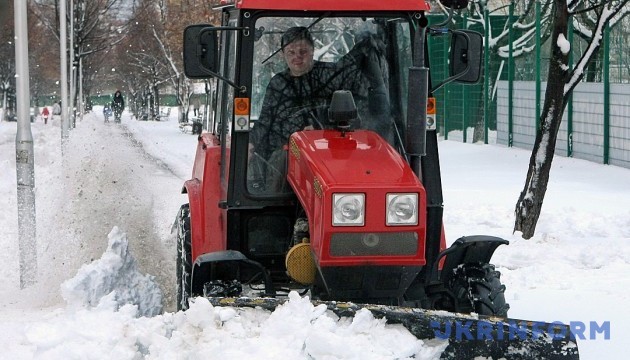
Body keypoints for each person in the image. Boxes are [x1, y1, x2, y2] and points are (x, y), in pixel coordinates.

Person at [248, 26, 390, 192]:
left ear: (312, 50)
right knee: (281, 160)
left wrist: (320, 128)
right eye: (291, 52)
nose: (297, 57)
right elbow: (265, 120)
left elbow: (354, 109)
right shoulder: (278, 84)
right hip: (286, 151)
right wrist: (250, 142)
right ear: (283, 54)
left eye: (303, 51)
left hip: (327, 150)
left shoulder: (330, 76)